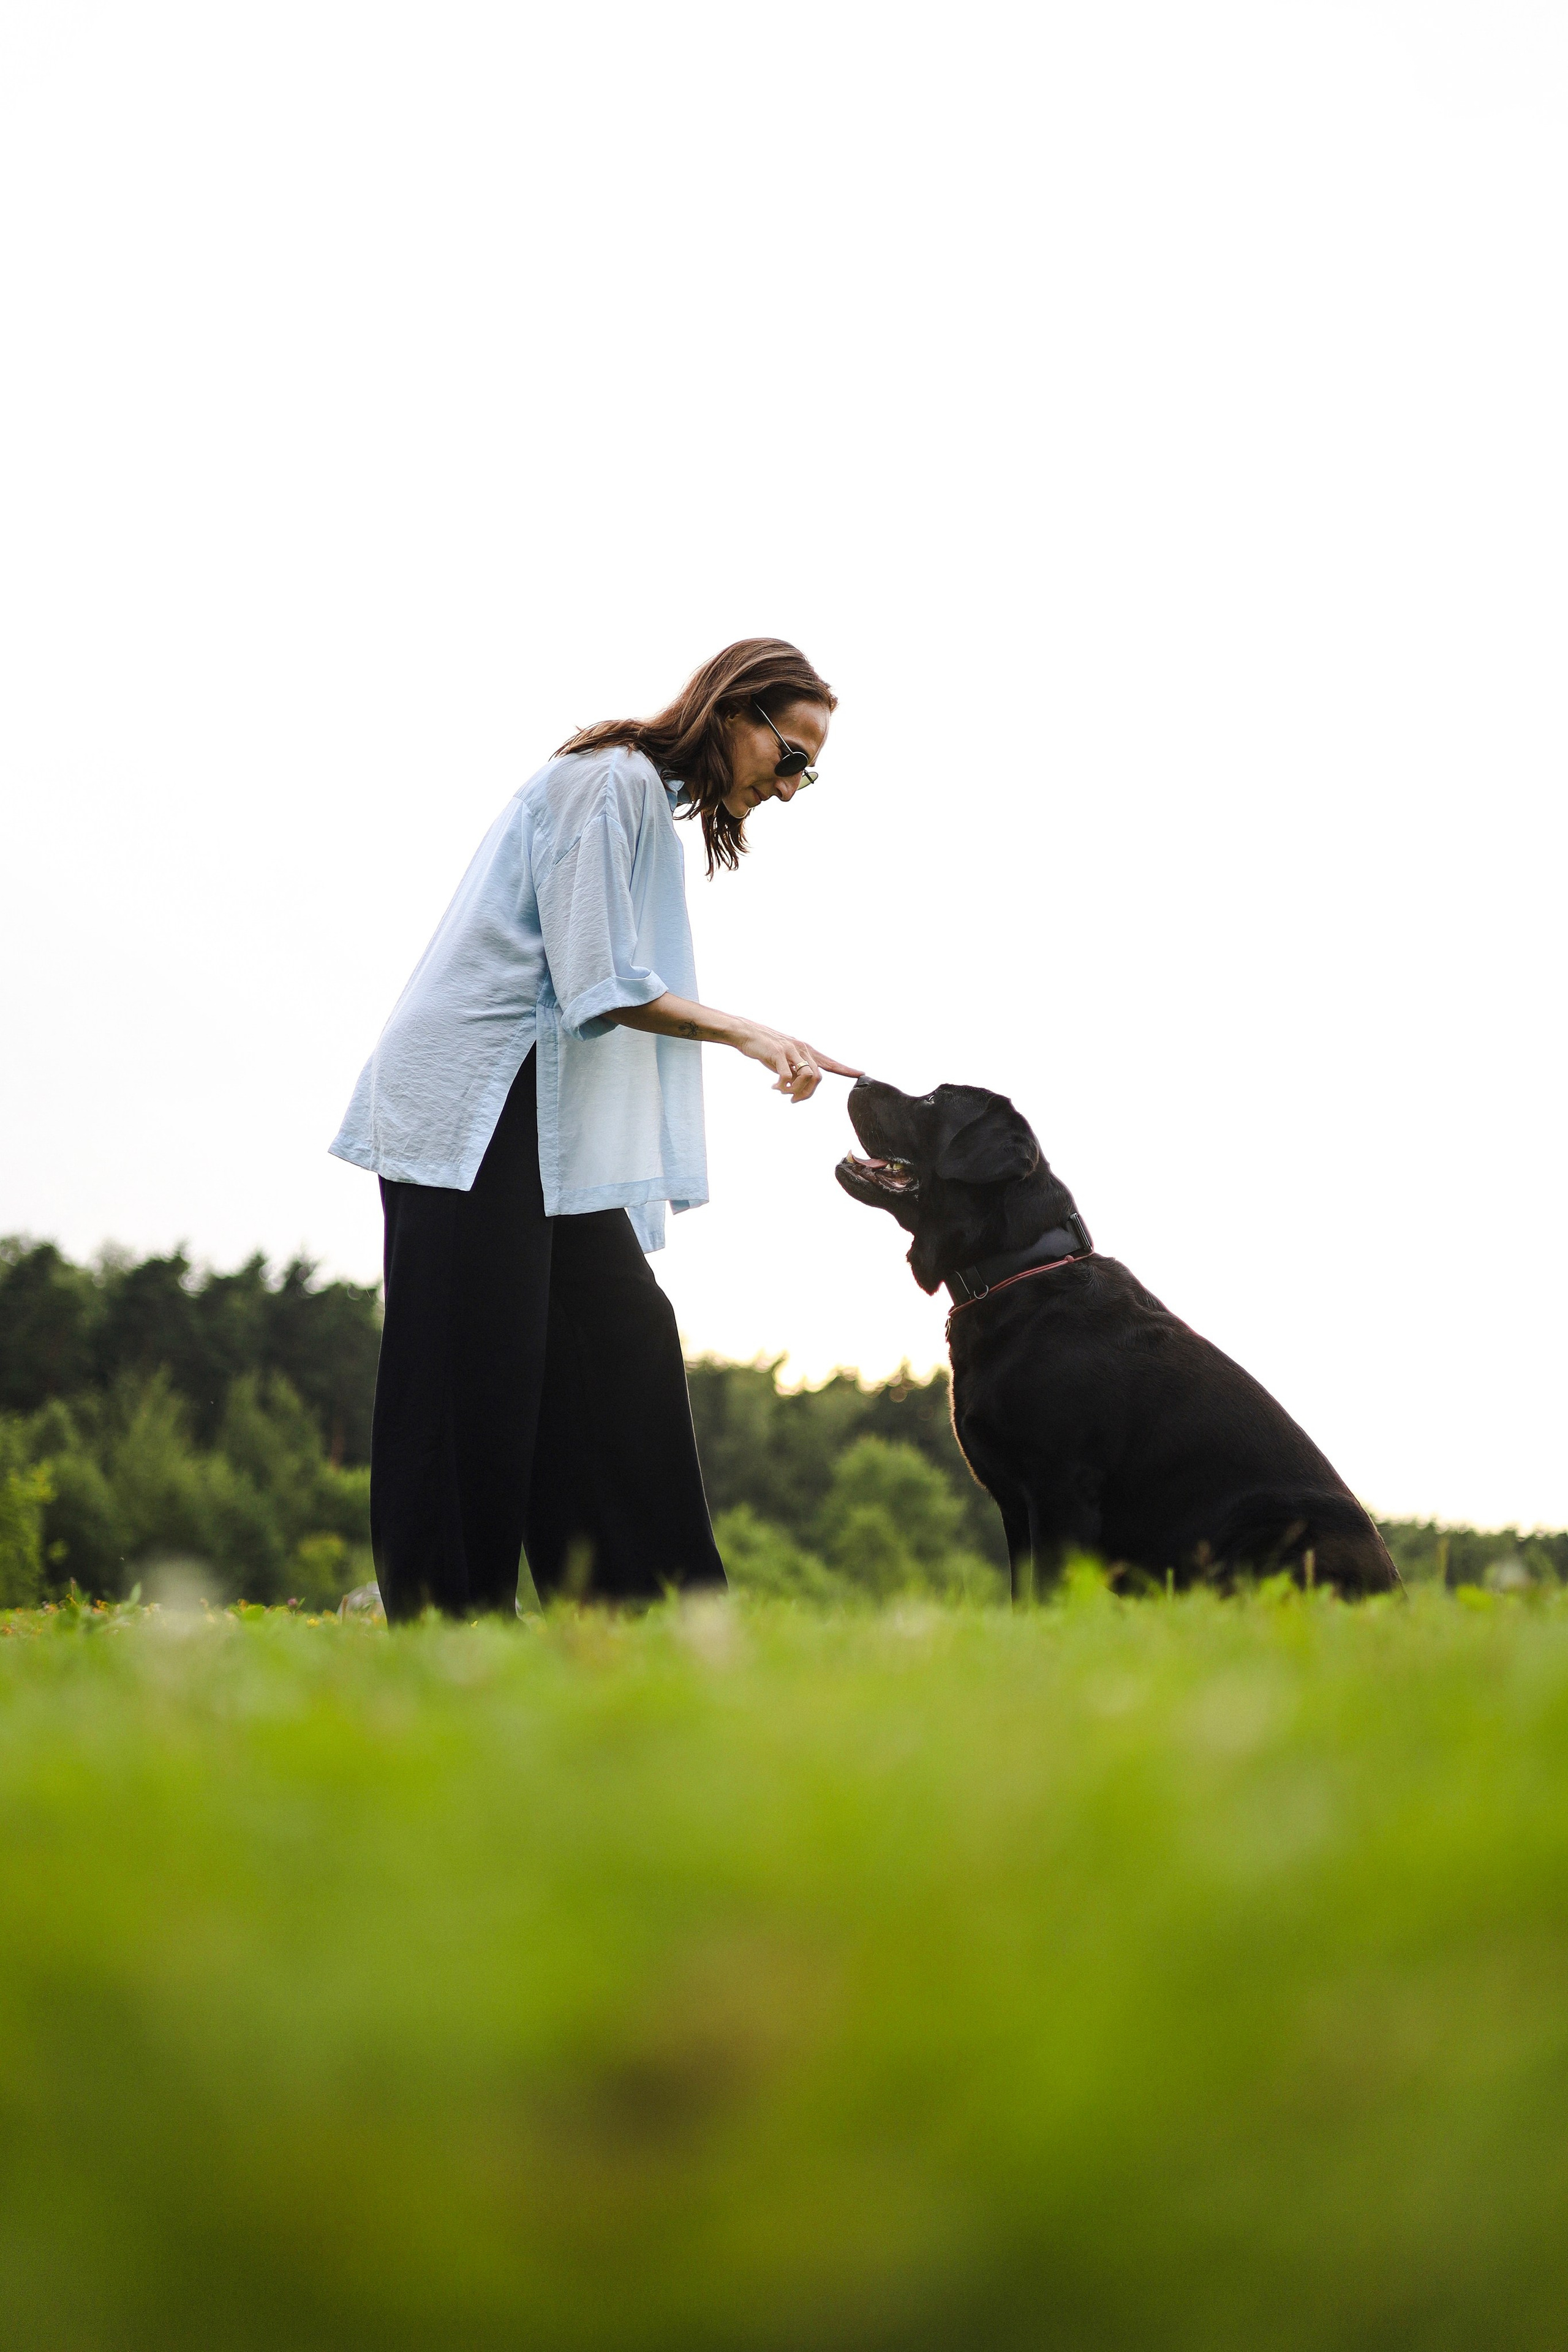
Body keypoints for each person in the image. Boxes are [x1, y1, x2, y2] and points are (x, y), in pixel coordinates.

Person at [330, 638, 859, 1620]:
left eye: (809, 773)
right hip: (477, 1096)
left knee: (620, 1340)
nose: (791, 787)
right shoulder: (605, 781)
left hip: (548, 1112)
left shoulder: (643, 800)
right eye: (790, 756)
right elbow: (597, 981)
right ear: (733, 712)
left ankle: (655, 1617)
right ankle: (449, 1630)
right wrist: (751, 1033)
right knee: (470, 1367)